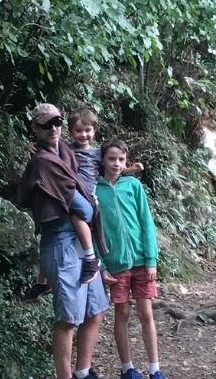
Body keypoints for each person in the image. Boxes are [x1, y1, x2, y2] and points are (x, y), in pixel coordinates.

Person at [16, 103, 117, 379]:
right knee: (69, 318)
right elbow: (84, 208)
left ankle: (83, 372)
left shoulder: (65, 152)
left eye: (58, 122)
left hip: (79, 244)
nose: (54, 129)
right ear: (35, 129)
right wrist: (89, 208)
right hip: (61, 243)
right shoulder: (44, 162)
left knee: (96, 308)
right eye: (46, 125)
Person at [22, 107, 143, 302]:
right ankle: (42, 280)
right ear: (70, 132)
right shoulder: (66, 147)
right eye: (78, 131)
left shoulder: (97, 153)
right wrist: (30, 146)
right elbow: (47, 150)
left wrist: (130, 169)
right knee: (48, 235)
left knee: (80, 219)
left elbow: (113, 169)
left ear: (95, 131)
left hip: (86, 195)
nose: (83, 135)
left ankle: (91, 259)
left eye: (87, 130)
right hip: (69, 190)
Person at [95, 138, 171, 379]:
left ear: (126, 162)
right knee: (122, 314)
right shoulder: (95, 190)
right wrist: (101, 263)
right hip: (115, 264)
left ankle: (155, 370)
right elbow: (94, 229)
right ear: (103, 160)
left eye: (121, 160)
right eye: (111, 159)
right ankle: (127, 369)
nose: (116, 164)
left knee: (146, 314)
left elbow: (146, 223)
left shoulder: (134, 186)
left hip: (141, 261)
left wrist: (151, 259)